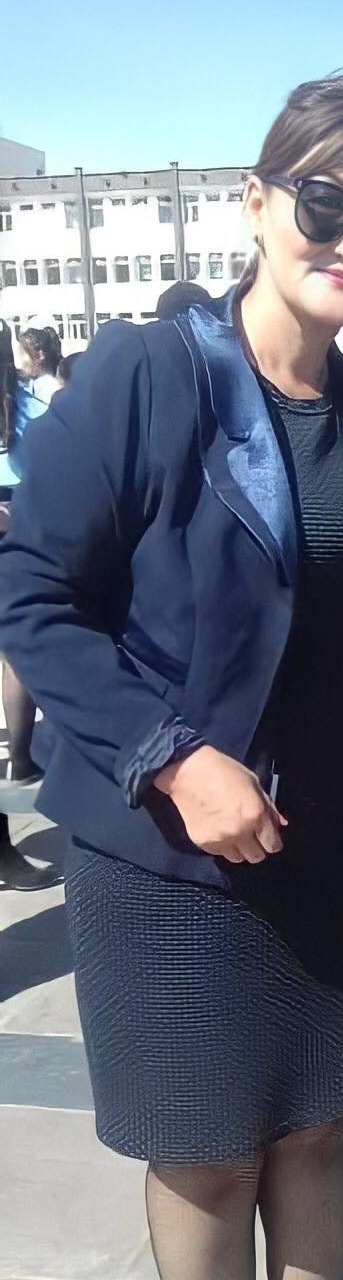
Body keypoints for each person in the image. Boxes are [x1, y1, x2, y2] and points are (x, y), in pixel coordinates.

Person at [0, 69, 343, 1280]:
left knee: (322, 1124)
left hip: (342, 848)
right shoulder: (151, 373)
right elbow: (31, 592)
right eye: (326, 203)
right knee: (204, 1148)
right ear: (256, 201)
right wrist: (171, 756)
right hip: (170, 859)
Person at [0, 320, 62, 889]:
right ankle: (20, 758)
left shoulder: (30, 402)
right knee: (15, 650)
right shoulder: (30, 403)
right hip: (19, 527)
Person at [17, 325, 63, 403]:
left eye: (23, 353)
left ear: (40, 355)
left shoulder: (50, 390)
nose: (21, 359)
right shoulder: (33, 384)